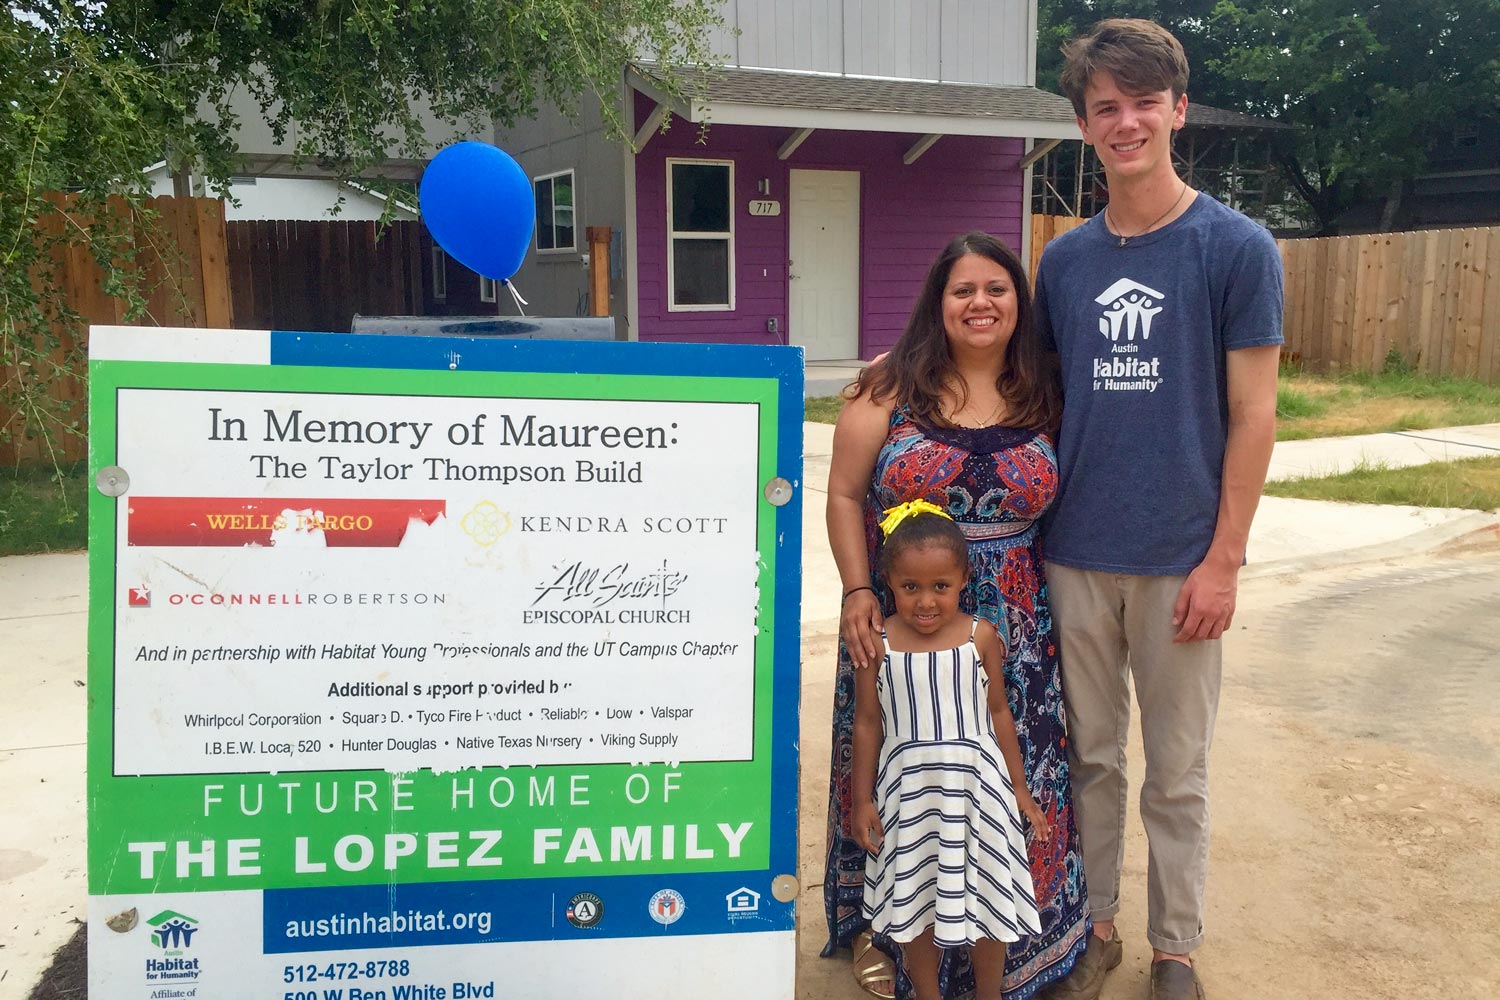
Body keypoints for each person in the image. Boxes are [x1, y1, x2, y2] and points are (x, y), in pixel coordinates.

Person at [1033, 19, 1283, 1000]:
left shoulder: (1236, 248)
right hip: (1076, 551)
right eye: (1106, 106)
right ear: (1086, 127)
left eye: (1144, 101)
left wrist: (1225, 558)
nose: (1126, 120)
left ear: (1178, 109)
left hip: (1183, 557)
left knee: (1176, 771)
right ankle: (1095, 928)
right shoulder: (1064, 264)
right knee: (1091, 759)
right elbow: (1040, 396)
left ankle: (1174, 946)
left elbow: (1256, 415)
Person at [824, 232, 1089, 1000]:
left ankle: (1017, 934)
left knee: (1002, 778)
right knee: (899, 768)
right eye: (963, 290)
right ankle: (886, 930)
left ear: (1018, 303)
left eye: (997, 289)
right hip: (899, 619)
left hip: (1015, 633)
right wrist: (856, 591)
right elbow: (843, 494)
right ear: (938, 304)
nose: (981, 303)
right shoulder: (889, 388)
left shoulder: (1049, 392)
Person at [852, 501, 1049, 1000]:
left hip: (977, 795)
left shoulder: (979, 636)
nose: (925, 602)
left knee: (985, 897)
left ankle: (989, 992)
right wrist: (861, 801)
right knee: (914, 901)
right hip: (910, 800)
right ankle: (926, 992)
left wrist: (1020, 791)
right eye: (909, 587)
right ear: (888, 583)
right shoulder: (878, 643)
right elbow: (867, 721)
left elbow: (1000, 713)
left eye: (940, 586)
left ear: (964, 579)